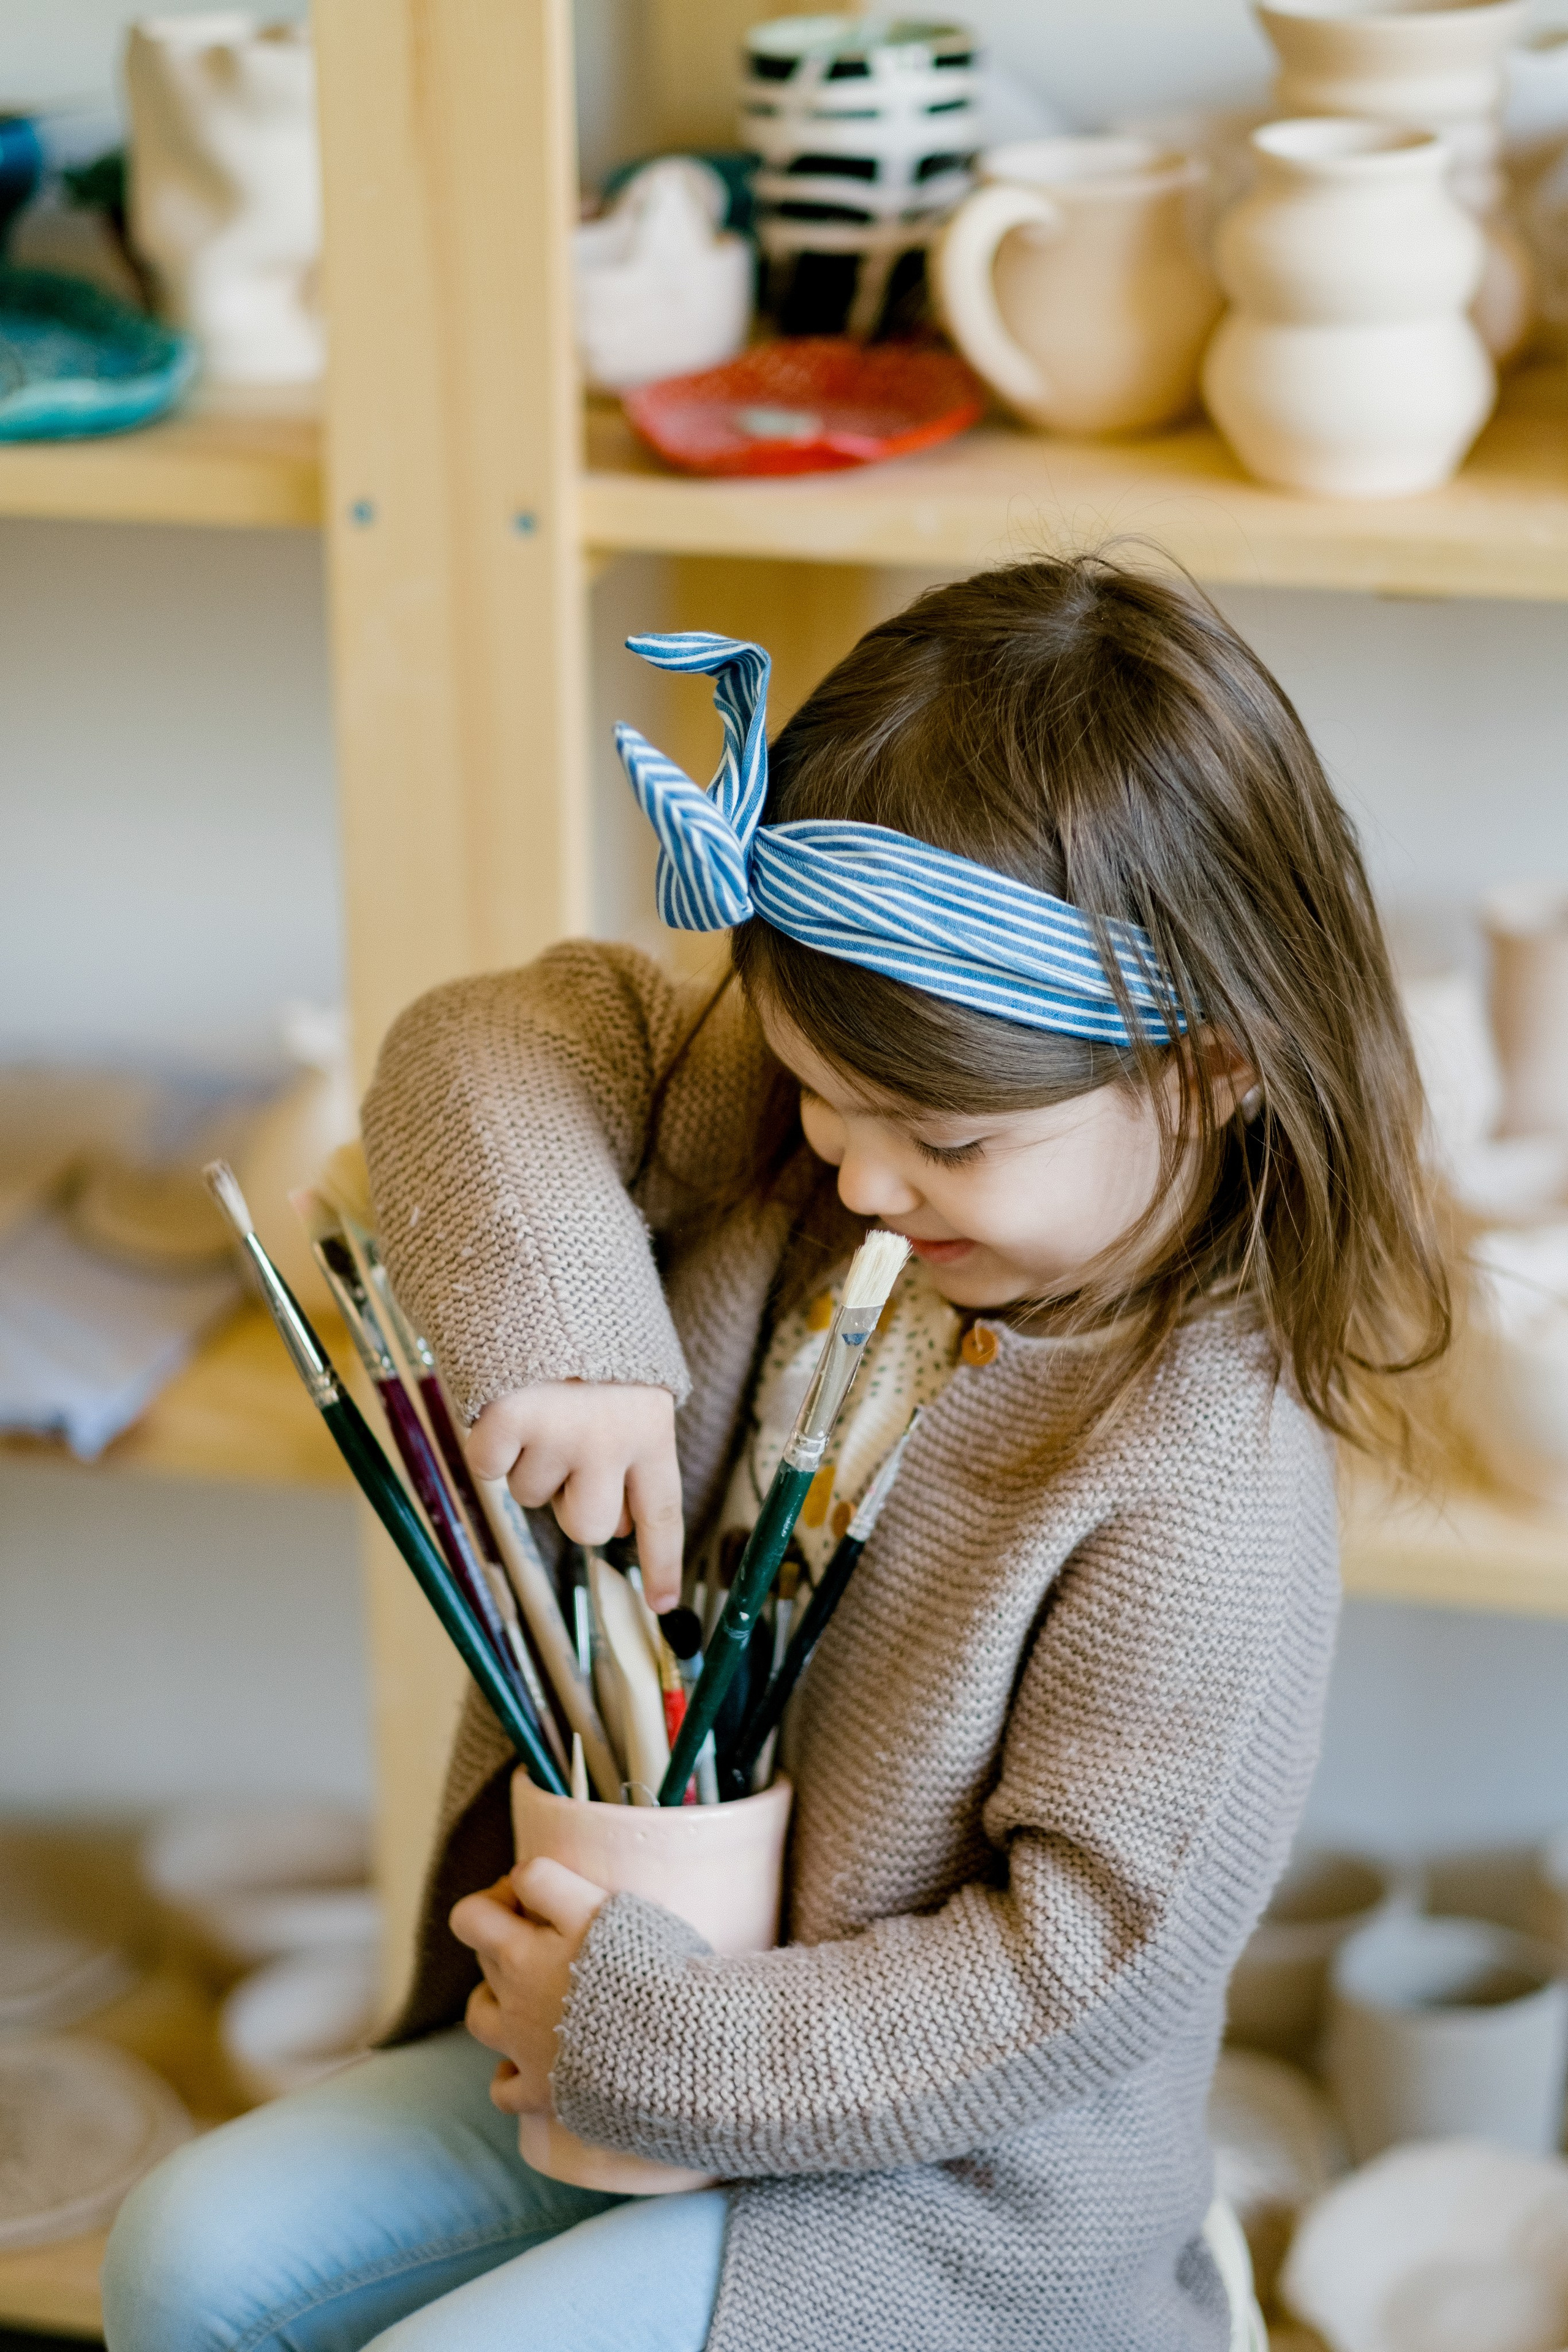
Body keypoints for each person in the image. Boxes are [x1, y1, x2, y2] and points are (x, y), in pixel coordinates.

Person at [104, 556, 1447, 2352]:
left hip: (943, 2194)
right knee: (182, 2255)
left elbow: (1072, 1974)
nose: (863, 1176)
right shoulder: (794, 1134)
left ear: (1211, 1070)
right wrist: (576, 1338)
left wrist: (655, 2039)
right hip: (620, 2018)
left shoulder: (1206, 1481)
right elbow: (476, 1049)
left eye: (946, 1141)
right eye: (821, 1090)